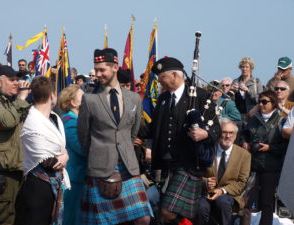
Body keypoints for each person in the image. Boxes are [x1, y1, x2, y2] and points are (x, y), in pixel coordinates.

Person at [77, 48, 152, 225]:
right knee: (105, 221)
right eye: (96, 69)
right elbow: (83, 135)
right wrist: (97, 154)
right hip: (100, 166)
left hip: (128, 165)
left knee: (143, 218)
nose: (98, 74)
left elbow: (132, 132)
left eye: (102, 69)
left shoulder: (133, 98)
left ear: (115, 68)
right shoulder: (90, 99)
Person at [142, 57, 220, 224]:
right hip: (165, 164)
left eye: (162, 77)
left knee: (167, 210)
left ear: (175, 75)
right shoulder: (163, 99)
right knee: (164, 213)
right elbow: (153, 129)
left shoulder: (199, 96)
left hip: (188, 164)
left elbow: (216, 129)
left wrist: (204, 134)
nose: (160, 82)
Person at [15, 76, 70, 225]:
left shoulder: (54, 118)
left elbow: (62, 150)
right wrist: (64, 156)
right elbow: (49, 162)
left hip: (55, 185)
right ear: (52, 95)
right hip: (37, 187)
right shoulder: (31, 122)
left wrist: (64, 154)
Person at [241, 90, 288, 225]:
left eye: (265, 102)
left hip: (270, 167)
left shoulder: (281, 121)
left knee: (266, 202)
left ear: (273, 103)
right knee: (247, 201)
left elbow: (284, 146)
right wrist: (244, 142)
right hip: (252, 165)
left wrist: (270, 148)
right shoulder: (254, 119)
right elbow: (244, 134)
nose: (261, 105)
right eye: (259, 102)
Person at [196, 118, 251, 225]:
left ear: (235, 136)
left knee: (222, 202)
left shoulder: (244, 155)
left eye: (231, 133)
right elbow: (197, 174)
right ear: (218, 133)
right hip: (206, 192)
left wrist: (221, 191)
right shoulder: (207, 150)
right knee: (201, 207)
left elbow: (241, 182)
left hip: (229, 194)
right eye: (224, 132)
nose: (228, 136)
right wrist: (205, 182)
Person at [0, 65, 30, 225]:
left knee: (20, 216)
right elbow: (7, 121)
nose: (17, 83)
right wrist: (21, 98)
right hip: (3, 172)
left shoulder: (11, 102)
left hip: (19, 170)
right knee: (4, 218)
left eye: (17, 79)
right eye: (12, 80)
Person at [59, 84, 87, 225]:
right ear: (72, 102)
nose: (85, 100)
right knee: (71, 217)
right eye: (82, 97)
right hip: (75, 177)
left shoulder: (76, 120)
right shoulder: (70, 122)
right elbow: (82, 149)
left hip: (79, 176)